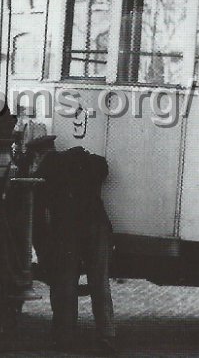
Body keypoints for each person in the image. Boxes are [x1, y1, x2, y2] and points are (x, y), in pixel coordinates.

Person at [28, 137, 116, 354]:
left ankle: (65, 337)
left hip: (69, 231)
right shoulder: (82, 159)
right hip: (97, 225)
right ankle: (107, 335)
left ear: (39, 154)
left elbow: (39, 213)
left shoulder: (44, 170)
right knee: (99, 282)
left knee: (65, 283)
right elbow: (102, 168)